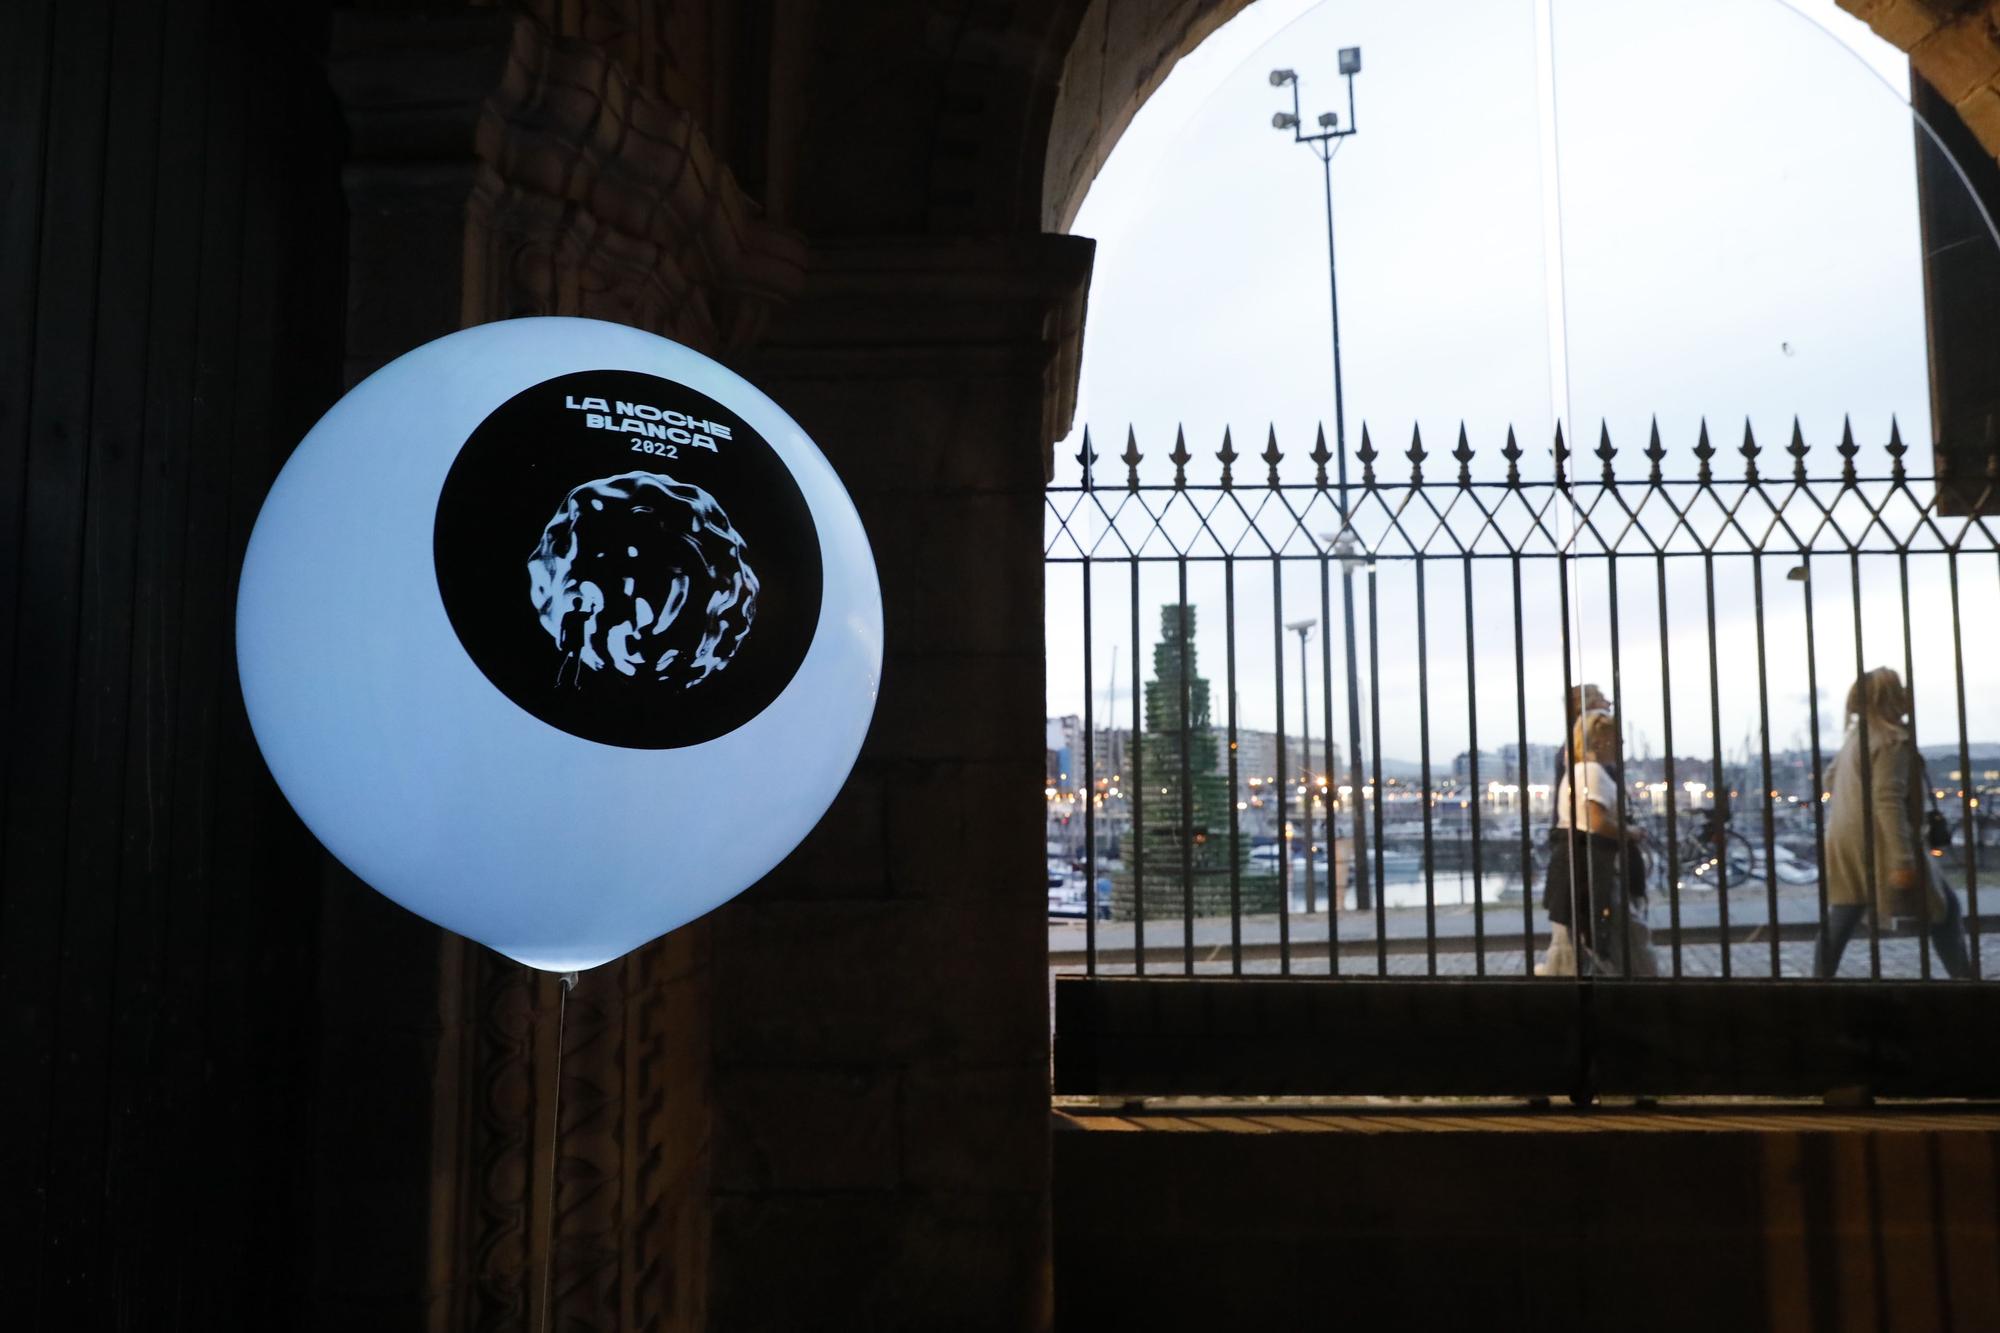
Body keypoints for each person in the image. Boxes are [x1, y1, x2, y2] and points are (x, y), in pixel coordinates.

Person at [1815, 667, 1972, 979]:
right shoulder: (1891, 740)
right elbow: (1888, 800)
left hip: (1845, 837)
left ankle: (1818, 982)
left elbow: (1829, 777)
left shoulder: (1858, 737)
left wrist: (1853, 807)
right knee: (1945, 910)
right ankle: (1967, 982)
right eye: (1901, 690)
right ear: (1892, 697)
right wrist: (1903, 860)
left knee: (1845, 911)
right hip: (1880, 843)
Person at [1538, 707, 1656, 976]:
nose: (1622, 745)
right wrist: (1631, 832)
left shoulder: (1580, 771)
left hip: (1580, 866)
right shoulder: (1592, 772)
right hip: (1593, 869)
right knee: (1627, 933)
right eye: (1618, 739)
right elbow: (1596, 821)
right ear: (1602, 740)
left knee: (1578, 939)